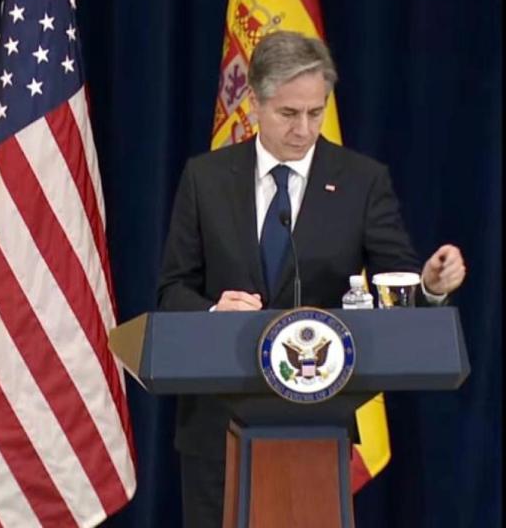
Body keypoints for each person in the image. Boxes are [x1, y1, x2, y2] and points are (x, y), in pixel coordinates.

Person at [156, 30, 466, 528]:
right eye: (288, 113)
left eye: (315, 112)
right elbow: (172, 291)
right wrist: (214, 314)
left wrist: (428, 285)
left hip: (316, 424)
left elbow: (398, 286)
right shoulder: (206, 179)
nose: (304, 129)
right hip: (215, 427)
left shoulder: (362, 181)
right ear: (255, 102)